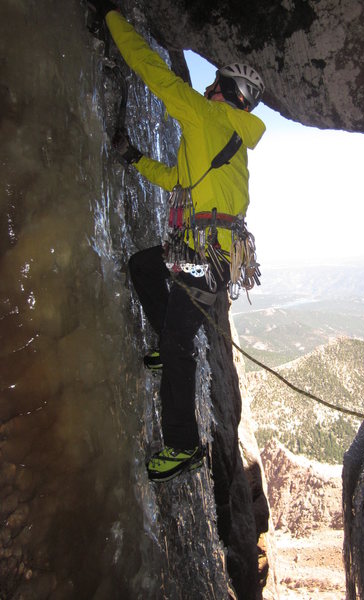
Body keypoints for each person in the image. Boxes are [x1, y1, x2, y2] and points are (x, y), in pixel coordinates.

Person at [88, 1, 266, 481]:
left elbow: (151, 69)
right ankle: (169, 348)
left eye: (213, 85)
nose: (205, 89)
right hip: (207, 257)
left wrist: (110, 18)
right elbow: (177, 179)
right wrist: (135, 158)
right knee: (145, 267)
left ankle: (184, 445)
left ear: (222, 90)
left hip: (203, 257)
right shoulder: (230, 142)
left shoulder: (205, 116)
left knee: (179, 340)